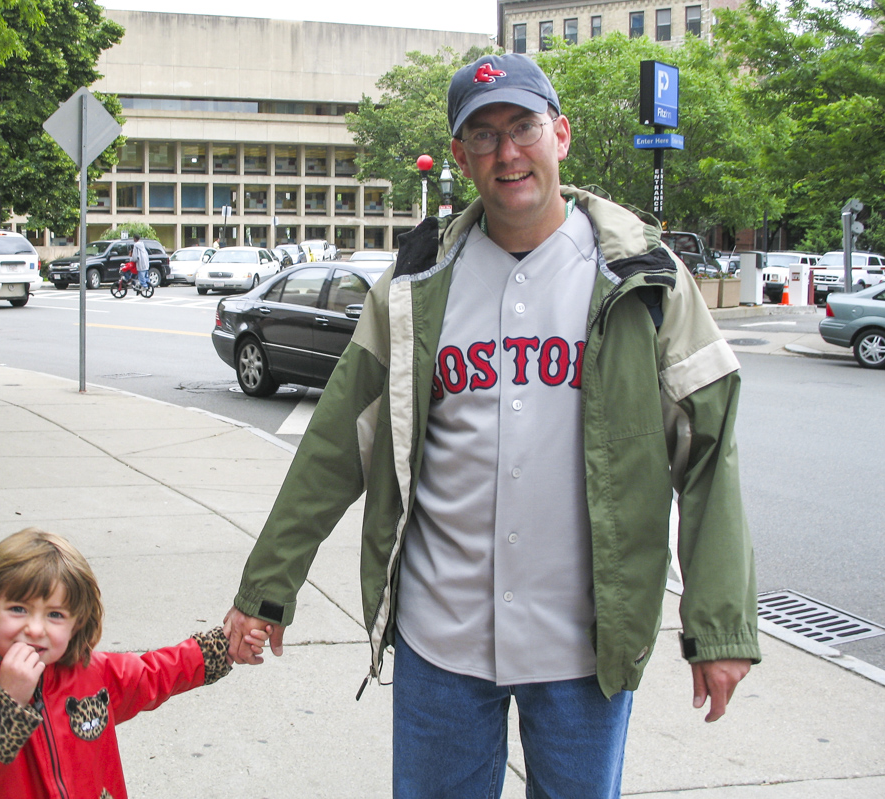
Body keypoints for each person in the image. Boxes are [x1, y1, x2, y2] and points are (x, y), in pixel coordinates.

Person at [224, 52, 760, 798]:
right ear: (460, 155)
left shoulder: (645, 280)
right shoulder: (414, 288)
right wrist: (266, 587)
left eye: (523, 127)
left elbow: (709, 454)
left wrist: (721, 626)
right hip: (440, 644)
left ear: (560, 135)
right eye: (483, 135)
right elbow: (337, 444)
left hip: (585, 648)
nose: (507, 152)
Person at [0, 527, 267, 799]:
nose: (34, 629)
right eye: (18, 609)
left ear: (76, 622)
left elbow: (156, 673)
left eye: (54, 614)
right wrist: (6, 705)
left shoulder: (91, 673)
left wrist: (226, 644)